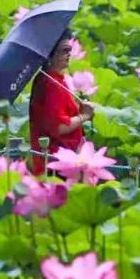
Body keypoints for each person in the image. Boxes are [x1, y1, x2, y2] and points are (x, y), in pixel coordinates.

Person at [29, 30, 94, 175]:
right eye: (65, 50)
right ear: (50, 54)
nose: (69, 54)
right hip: (56, 163)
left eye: (70, 50)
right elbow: (60, 127)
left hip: (61, 159)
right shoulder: (50, 84)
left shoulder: (55, 79)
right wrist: (84, 116)